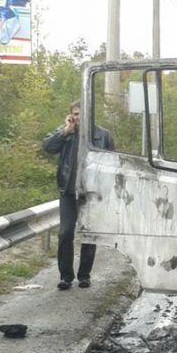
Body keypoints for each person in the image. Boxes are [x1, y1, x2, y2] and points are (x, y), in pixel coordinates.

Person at [43, 101, 114, 290]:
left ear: (90, 114)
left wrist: (106, 192)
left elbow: (112, 165)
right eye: (75, 114)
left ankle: (84, 275)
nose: (78, 117)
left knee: (89, 235)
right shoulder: (66, 132)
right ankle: (66, 276)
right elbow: (48, 147)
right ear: (71, 115)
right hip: (68, 191)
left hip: (91, 193)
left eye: (82, 114)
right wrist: (66, 130)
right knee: (65, 233)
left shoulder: (103, 135)